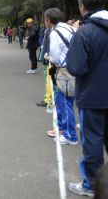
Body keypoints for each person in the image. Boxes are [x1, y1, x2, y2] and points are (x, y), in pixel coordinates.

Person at [66, 0, 108, 197]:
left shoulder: (85, 32)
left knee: (92, 142)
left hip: (93, 97)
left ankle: (92, 185)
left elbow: (76, 67)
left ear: (82, 7)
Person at [44, 8, 77, 144]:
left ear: (49, 20)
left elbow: (56, 57)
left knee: (64, 103)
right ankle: (62, 129)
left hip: (65, 71)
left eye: (45, 19)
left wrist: (47, 56)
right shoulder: (70, 28)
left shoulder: (55, 33)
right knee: (62, 101)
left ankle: (70, 136)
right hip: (74, 68)